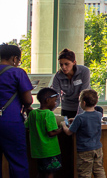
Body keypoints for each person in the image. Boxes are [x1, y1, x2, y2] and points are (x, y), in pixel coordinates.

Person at [0, 43, 34, 178]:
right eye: (19, 60)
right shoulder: (17, 72)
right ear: (14, 58)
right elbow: (28, 100)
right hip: (11, 121)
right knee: (18, 162)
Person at [61, 89, 105, 178]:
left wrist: (63, 125)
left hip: (84, 150)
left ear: (83, 103)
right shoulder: (98, 115)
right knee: (99, 169)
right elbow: (89, 120)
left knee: (85, 173)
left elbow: (69, 132)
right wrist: (75, 121)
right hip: (97, 148)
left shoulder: (80, 117)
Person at [26, 87, 63, 178]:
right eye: (54, 101)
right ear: (47, 100)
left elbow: (27, 127)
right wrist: (61, 129)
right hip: (50, 151)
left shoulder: (33, 113)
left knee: (41, 172)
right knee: (50, 173)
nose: (55, 104)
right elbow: (51, 133)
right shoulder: (49, 114)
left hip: (38, 151)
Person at [50, 48, 92, 118]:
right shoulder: (58, 76)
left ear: (74, 62)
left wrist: (78, 116)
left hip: (84, 107)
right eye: (61, 64)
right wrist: (47, 111)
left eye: (67, 64)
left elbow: (84, 94)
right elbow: (56, 97)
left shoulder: (84, 71)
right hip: (67, 108)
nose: (63, 67)